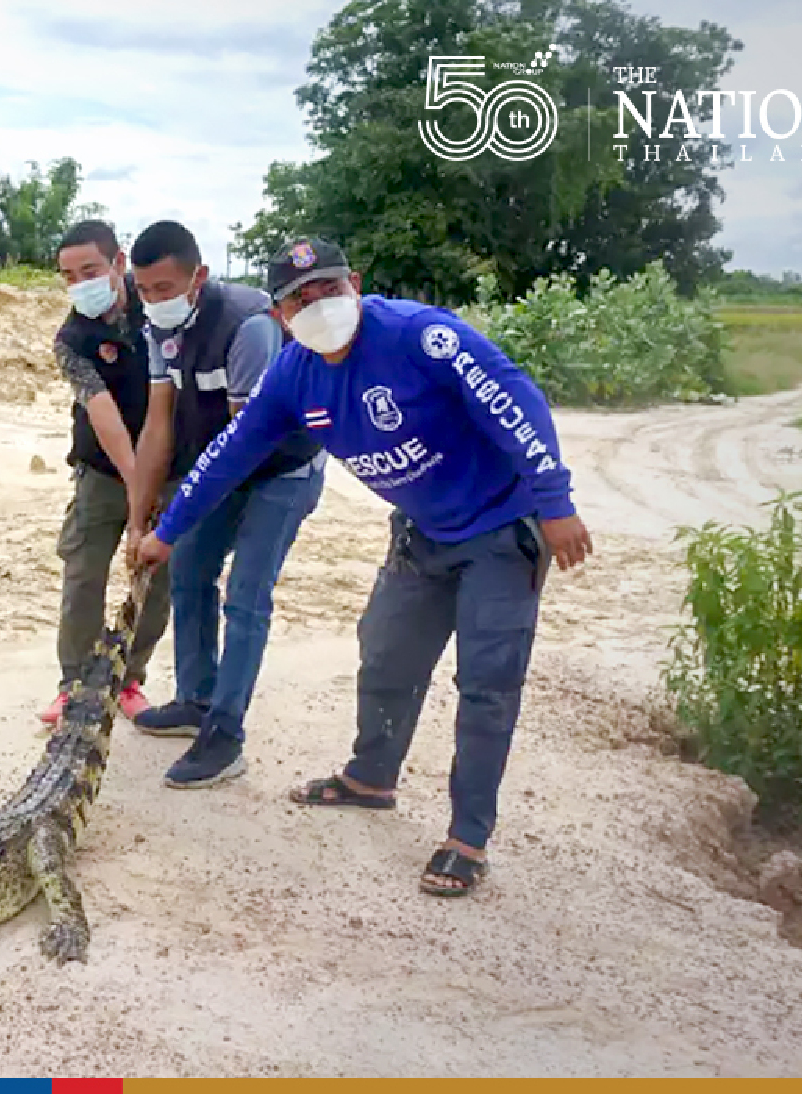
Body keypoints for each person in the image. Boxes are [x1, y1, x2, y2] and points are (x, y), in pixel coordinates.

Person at [132, 236, 595, 897]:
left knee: (488, 684)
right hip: (422, 533)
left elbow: (514, 398)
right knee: (385, 656)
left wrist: (554, 502)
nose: (314, 303)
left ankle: (467, 838)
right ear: (280, 313)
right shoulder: (295, 373)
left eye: (325, 287)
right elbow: (231, 451)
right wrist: (168, 533)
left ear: (353, 281)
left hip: (502, 526)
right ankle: (370, 779)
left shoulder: (418, 335)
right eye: (297, 297)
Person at [120, 220, 328, 789]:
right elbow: (157, 425)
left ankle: (226, 732)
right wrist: (139, 523)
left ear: (199, 277)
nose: (153, 301)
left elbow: (245, 446)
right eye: (143, 290)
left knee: (246, 594)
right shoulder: (160, 329)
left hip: (282, 469)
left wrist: (175, 521)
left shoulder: (248, 327)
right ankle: (196, 699)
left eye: (164, 289)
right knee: (188, 572)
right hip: (225, 464)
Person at [41, 219, 174, 727]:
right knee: (83, 575)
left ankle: (128, 678)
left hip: (167, 467)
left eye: (90, 269)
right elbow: (104, 415)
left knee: (156, 577)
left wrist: (151, 491)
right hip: (102, 470)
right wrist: (135, 488)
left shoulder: (159, 310)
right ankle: (73, 684)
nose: (80, 284)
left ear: (119, 262)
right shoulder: (72, 339)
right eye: (68, 275)